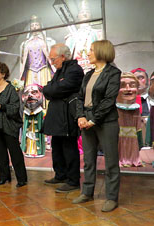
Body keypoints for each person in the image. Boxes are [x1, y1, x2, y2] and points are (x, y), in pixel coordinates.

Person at [73, 40, 121, 212]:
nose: (88, 53)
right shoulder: (88, 74)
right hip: (86, 120)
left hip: (106, 121)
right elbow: (79, 98)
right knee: (88, 160)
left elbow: (109, 100)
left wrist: (93, 120)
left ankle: (111, 198)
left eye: (91, 50)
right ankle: (87, 192)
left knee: (111, 161)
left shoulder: (113, 73)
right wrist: (80, 117)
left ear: (102, 52)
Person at [43, 43, 84, 192]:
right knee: (57, 147)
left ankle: (73, 181)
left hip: (67, 117)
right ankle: (60, 175)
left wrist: (52, 89)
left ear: (63, 56)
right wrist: (52, 89)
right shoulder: (60, 71)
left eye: (54, 59)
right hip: (57, 116)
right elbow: (47, 89)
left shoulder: (75, 70)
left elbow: (58, 88)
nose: (52, 63)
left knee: (69, 148)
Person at [0, 62, 27, 187]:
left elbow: (15, 108)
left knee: (15, 153)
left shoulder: (10, 89)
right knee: (0, 153)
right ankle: (4, 177)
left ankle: (21, 179)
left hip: (9, 126)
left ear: (3, 74)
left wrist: (0, 106)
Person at [116, 72, 143, 167]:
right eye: (123, 85)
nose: (128, 89)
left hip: (132, 141)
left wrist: (140, 143)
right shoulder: (114, 109)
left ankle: (133, 159)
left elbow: (139, 128)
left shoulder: (136, 109)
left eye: (132, 85)